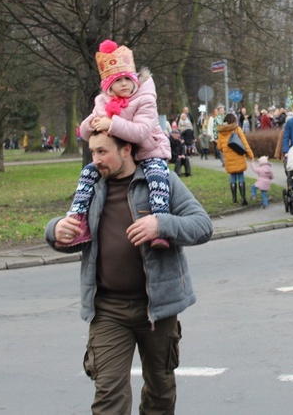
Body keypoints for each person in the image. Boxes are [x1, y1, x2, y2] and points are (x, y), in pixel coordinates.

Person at [44, 131, 213, 414]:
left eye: (102, 152)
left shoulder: (161, 180)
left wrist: (162, 225)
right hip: (108, 309)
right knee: (109, 395)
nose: (95, 159)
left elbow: (202, 225)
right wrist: (56, 230)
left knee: (160, 393)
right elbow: (72, 237)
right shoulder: (91, 186)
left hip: (158, 308)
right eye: (93, 152)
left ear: (126, 150)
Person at [59, 39, 173, 250]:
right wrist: (90, 123)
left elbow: (140, 132)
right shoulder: (102, 102)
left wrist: (111, 124)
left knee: (158, 180)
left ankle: (160, 223)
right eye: (118, 80)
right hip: (121, 156)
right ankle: (77, 220)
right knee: (87, 174)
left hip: (150, 151)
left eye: (127, 79)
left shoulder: (146, 98)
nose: (124, 84)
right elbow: (85, 132)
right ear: (109, 86)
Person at [216, 113, 255, 205]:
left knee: (233, 177)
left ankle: (234, 198)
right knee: (241, 176)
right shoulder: (237, 129)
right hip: (239, 156)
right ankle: (243, 198)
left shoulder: (221, 132)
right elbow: (245, 144)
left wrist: (226, 149)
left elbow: (219, 147)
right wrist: (251, 155)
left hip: (228, 158)